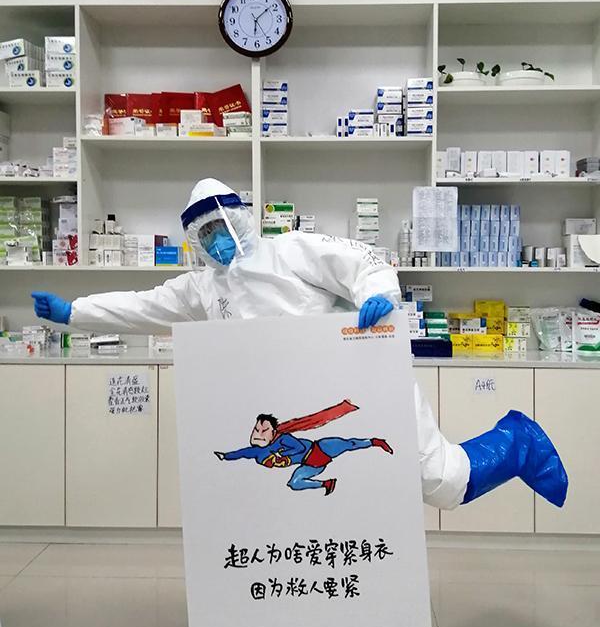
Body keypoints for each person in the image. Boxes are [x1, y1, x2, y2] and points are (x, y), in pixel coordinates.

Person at [31, 177, 568, 511]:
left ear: (240, 218)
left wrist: (376, 297)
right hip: (294, 421)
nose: (217, 240)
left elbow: (364, 261)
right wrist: (73, 313)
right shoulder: (202, 287)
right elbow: (142, 305)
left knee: (440, 482)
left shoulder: (289, 250)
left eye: (220, 226)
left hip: (362, 382)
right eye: (205, 234)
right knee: (319, 510)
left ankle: (518, 441)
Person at [215, 410, 393, 496]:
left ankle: (375, 442)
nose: (259, 434)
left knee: (348, 444)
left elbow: (299, 448)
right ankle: (326, 484)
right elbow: (241, 453)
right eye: (256, 430)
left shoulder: (283, 439)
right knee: (294, 483)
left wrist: (284, 457)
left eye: (264, 430)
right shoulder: (255, 451)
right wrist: (225, 456)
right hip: (311, 465)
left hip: (319, 448)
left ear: (273, 431)